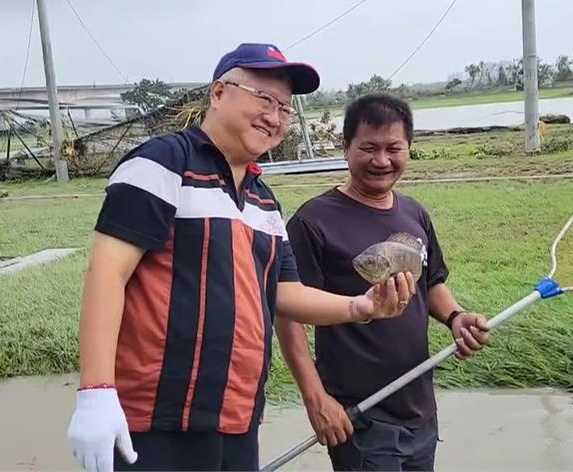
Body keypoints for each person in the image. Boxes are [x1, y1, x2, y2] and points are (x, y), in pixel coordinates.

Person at [65, 44, 418, 472]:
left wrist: (360, 307)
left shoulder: (263, 201)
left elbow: (284, 292)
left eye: (285, 108)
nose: (274, 116)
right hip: (156, 422)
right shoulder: (163, 163)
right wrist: (96, 393)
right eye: (263, 99)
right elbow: (107, 272)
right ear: (218, 93)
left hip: (236, 420)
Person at [275, 93, 492, 471]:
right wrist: (316, 399)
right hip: (361, 417)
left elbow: (432, 282)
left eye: (394, 148)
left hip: (419, 408)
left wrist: (457, 318)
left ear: (409, 148)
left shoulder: (414, 214)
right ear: (345, 148)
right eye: (368, 148)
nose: (382, 160)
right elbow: (288, 314)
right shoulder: (314, 222)